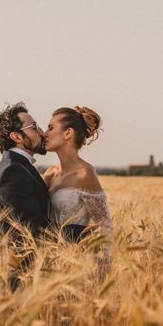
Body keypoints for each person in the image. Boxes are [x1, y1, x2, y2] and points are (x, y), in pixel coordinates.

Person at [0, 102, 51, 291]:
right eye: (33, 127)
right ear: (16, 137)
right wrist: (86, 232)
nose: (41, 131)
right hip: (20, 279)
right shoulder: (13, 171)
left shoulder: (16, 167)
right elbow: (34, 228)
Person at [42, 106, 113, 276]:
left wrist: (102, 269)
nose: (45, 133)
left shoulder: (85, 174)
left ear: (68, 133)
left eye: (51, 128)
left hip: (77, 262)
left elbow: (104, 224)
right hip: (49, 260)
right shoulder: (50, 174)